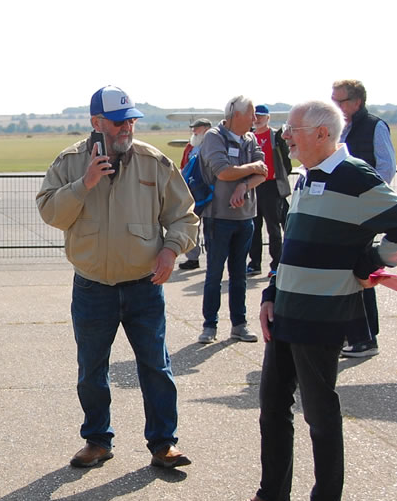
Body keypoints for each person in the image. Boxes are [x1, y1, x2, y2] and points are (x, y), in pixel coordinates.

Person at [218, 100, 397, 501]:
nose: (285, 136)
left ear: (321, 134)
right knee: (273, 407)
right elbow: (292, 245)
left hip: (323, 312)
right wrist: (271, 294)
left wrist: (367, 263)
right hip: (288, 310)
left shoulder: (355, 176)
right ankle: (272, 500)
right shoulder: (308, 176)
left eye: (292, 129)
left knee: (319, 414)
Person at [36, 85, 199, 469]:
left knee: (156, 367)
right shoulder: (70, 162)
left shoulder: (153, 162)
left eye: (131, 121)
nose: (127, 128)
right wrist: (84, 184)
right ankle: (97, 441)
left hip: (144, 286)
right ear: (97, 122)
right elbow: (50, 213)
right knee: (92, 369)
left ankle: (163, 444)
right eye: (118, 122)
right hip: (93, 287)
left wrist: (171, 249)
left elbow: (184, 216)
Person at [332, 80, 396, 359]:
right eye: (334, 101)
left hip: (362, 211)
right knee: (345, 271)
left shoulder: (374, 126)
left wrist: (363, 197)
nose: (336, 106)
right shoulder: (339, 127)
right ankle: (354, 334)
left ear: (357, 102)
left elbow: (386, 168)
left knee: (360, 271)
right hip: (340, 210)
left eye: (341, 101)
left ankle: (366, 337)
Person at [196, 96, 267, 345]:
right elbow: (223, 171)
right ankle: (209, 325)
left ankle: (239, 324)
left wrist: (244, 186)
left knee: (239, 275)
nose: (255, 119)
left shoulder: (250, 138)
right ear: (236, 115)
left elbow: (264, 173)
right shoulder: (214, 137)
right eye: (251, 114)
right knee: (214, 274)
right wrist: (253, 168)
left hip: (245, 217)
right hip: (218, 217)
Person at [246, 104, 292, 278]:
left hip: (271, 186)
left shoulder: (275, 136)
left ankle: (276, 265)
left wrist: (279, 176)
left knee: (273, 227)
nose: (258, 119)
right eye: (255, 115)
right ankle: (254, 263)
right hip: (253, 186)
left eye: (261, 116)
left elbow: (286, 161)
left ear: (268, 118)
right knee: (254, 227)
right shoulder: (248, 136)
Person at [179, 118, 212, 271]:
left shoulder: (213, 145)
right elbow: (183, 166)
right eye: (193, 128)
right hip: (192, 192)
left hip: (209, 192)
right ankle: (192, 258)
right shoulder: (190, 146)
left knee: (210, 228)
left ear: (206, 129)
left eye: (197, 128)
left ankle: (212, 258)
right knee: (192, 226)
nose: (194, 131)